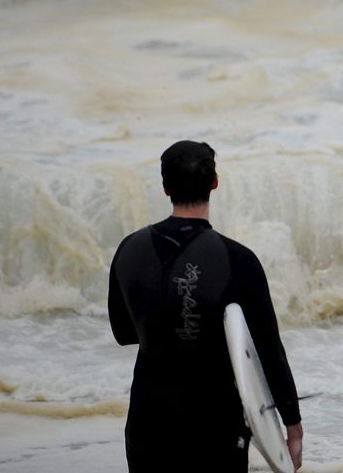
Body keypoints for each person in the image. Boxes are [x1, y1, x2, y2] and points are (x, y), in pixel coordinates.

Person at [109, 140, 304, 473]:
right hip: (215, 424)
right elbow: (268, 350)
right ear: (214, 182)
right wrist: (292, 425)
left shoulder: (129, 249)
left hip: (148, 420)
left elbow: (124, 332)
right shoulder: (238, 259)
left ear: (165, 187)